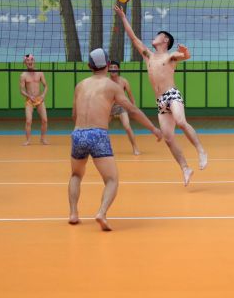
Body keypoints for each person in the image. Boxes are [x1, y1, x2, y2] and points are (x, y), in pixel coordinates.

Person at [68, 48, 163, 231]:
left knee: (76, 175)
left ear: (89, 66)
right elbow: (133, 110)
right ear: (108, 65)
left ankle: (73, 214)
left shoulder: (80, 85)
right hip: (98, 134)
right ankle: (101, 213)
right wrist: (154, 129)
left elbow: (74, 115)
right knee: (112, 179)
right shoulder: (112, 86)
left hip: (78, 133)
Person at [114, 5, 208, 186]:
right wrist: (123, 17)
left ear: (164, 40)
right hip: (160, 102)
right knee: (168, 138)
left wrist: (185, 51)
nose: (154, 37)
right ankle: (185, 168)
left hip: (172, 95)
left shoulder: (170, 56)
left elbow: (185, 56)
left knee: (181, 121)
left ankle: (201, 150)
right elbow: (133, 37)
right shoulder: (148, 56)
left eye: (158, 35)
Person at [108, 61, 141, 155]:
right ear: (108, 69)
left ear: (118, 69)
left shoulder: (124, 81)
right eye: (111, 67)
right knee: (102, 128)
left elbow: (130, 95)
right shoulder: (106, 81)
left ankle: (135, 147)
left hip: (121, 107)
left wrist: (134, 108)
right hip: (109, 107)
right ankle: (102, 149)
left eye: (115, 67)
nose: (113, 68)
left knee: (127, 126)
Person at [19, 54, 49, 145]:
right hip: (29, 100)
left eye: (31, 60)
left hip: (39, 99)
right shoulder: (23, 75)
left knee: (45, 120)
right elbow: (21, 90)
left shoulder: (40, 73)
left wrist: (43, 95)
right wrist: (29, 96)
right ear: (25, 63)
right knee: (28, 121)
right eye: (28, 61)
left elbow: (46, 86)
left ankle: (42, 139)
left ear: (34, 61)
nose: (30, 62)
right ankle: (28, 140)